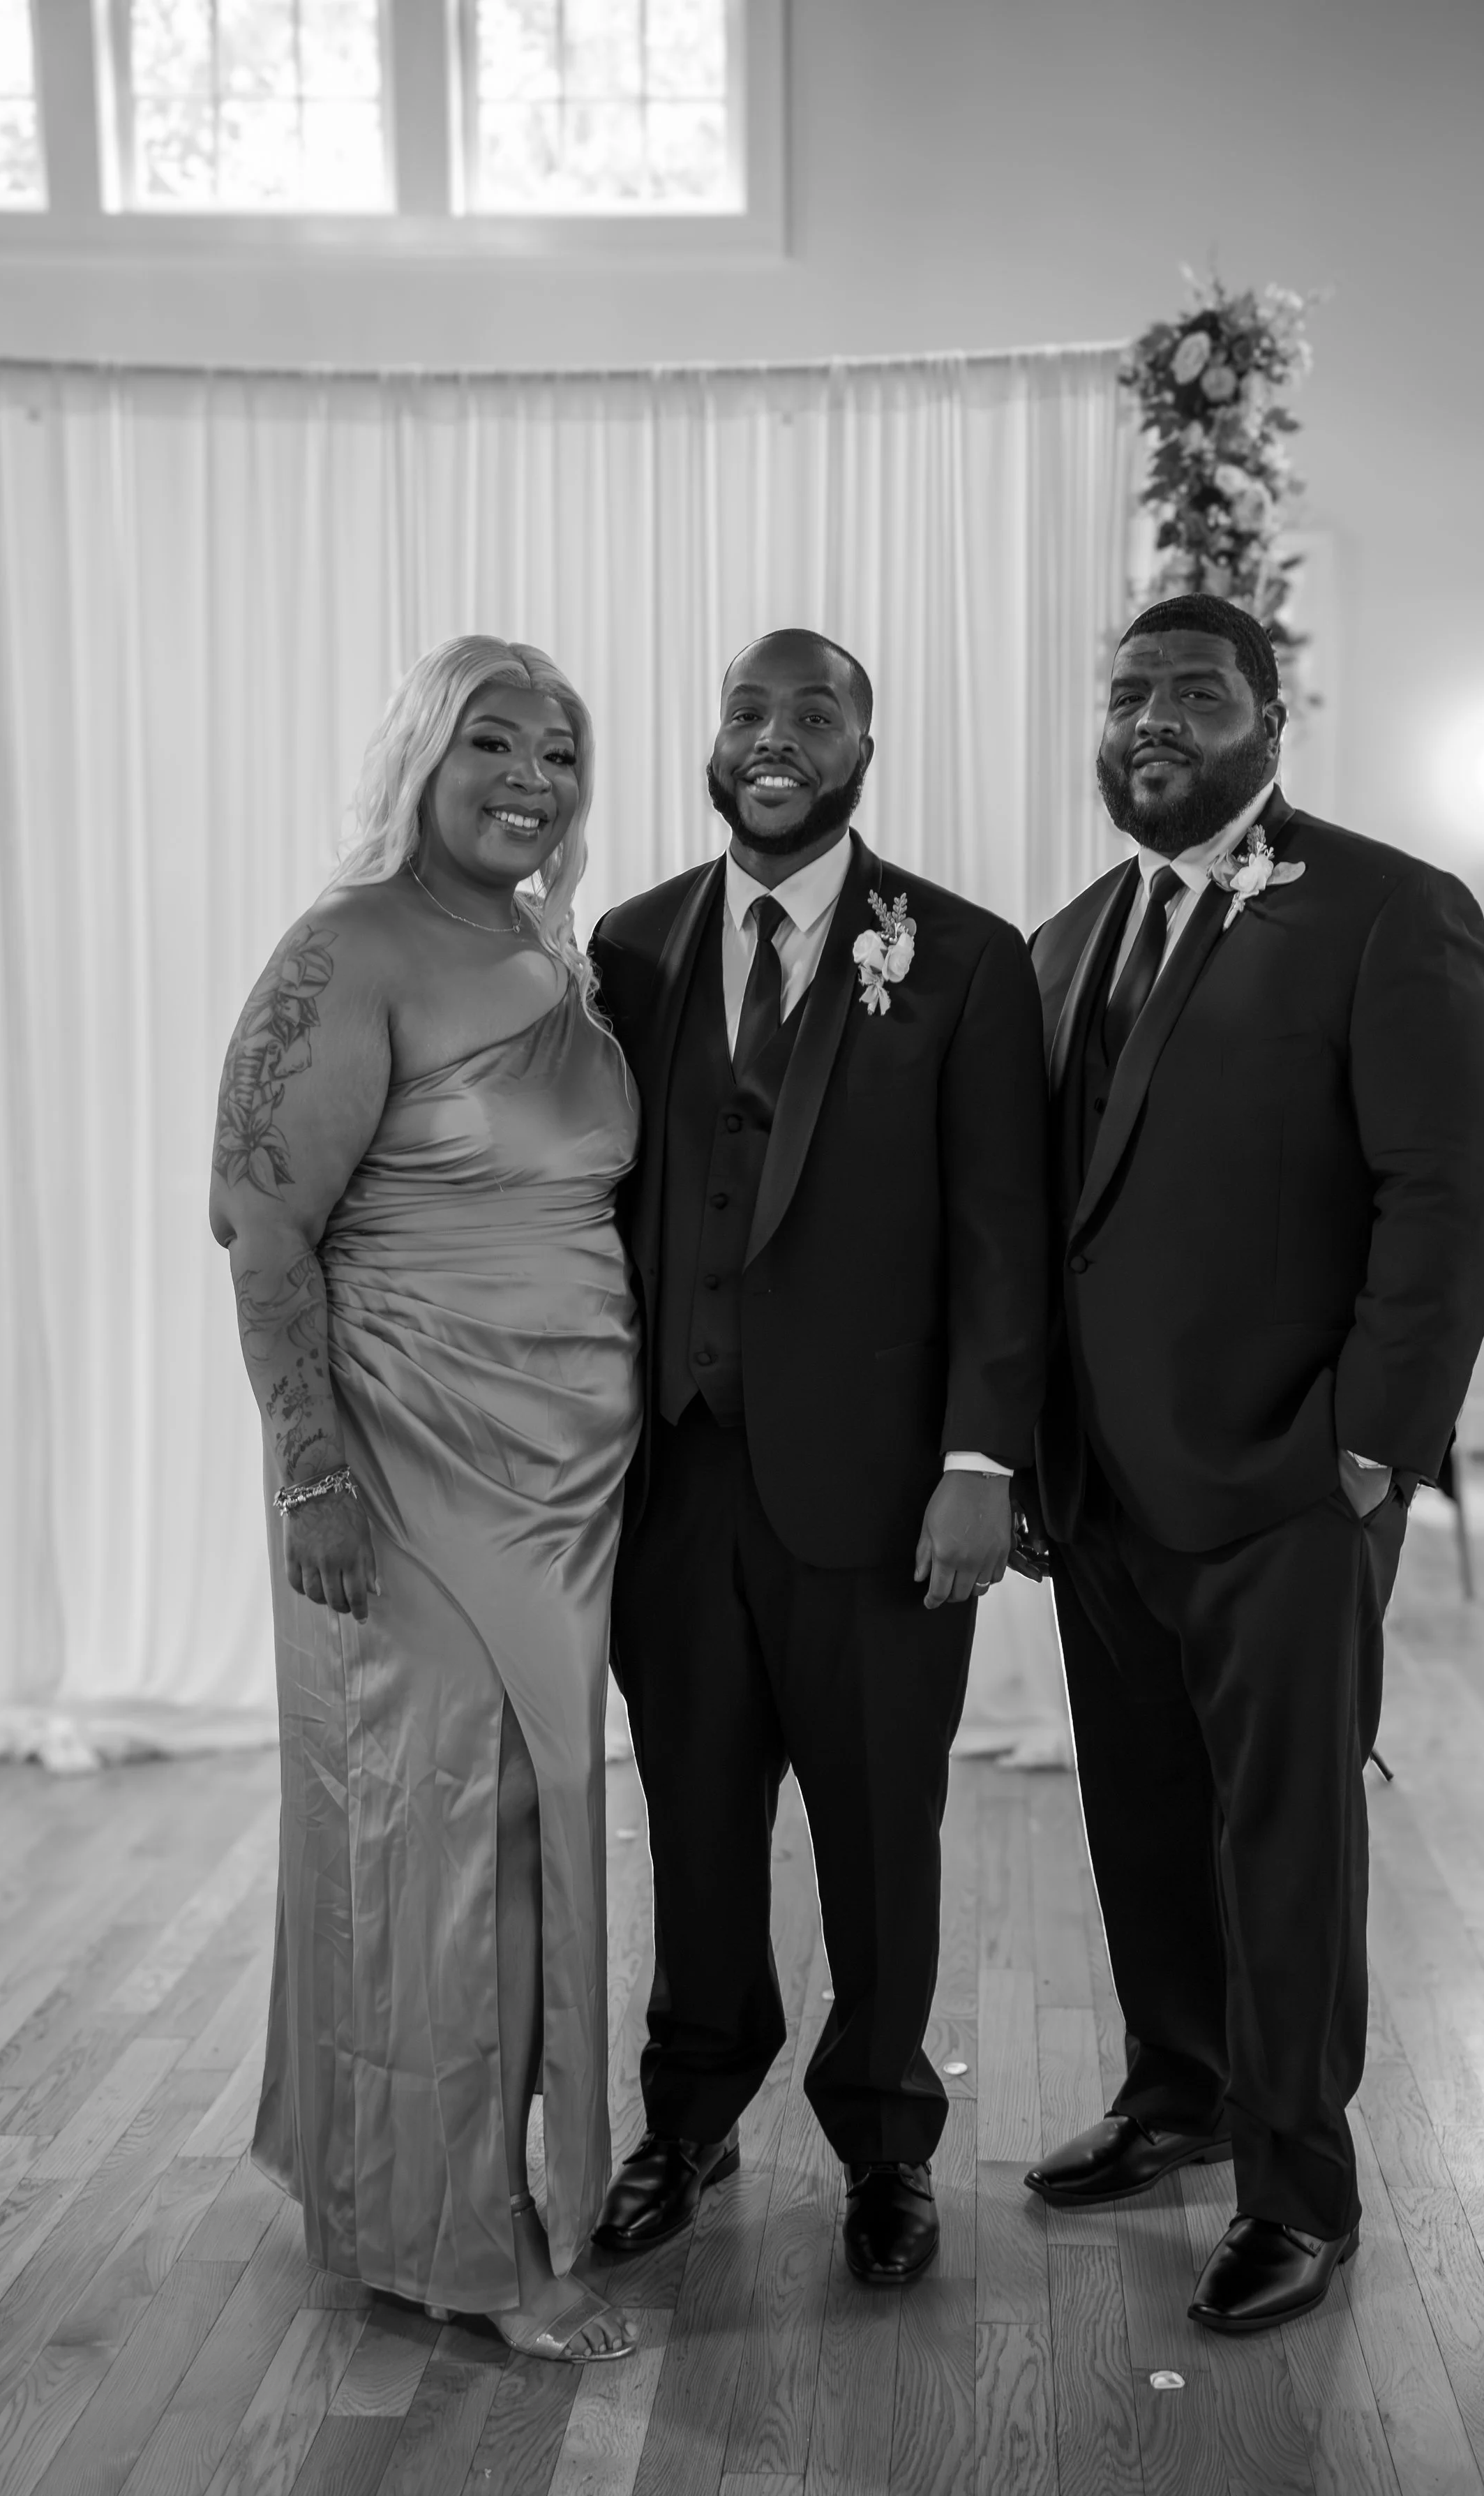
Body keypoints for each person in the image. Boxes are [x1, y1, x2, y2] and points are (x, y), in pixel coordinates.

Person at [1022, 595, 1484, 2331]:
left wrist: (1366, 1451)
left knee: (1285, 1843)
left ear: (1267, 720)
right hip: (1100, 1488)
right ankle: (1178, 2095)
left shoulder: (1386, 910)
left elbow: (1448, 1196)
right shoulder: (1064, 939)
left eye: (1192, 692)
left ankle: (1299, 2187)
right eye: (1125, 694)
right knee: (1142, 1816)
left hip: (1291, 1483)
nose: (1150, 718)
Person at [587, 629, 1049, 2285]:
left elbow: (1002, 1232)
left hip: (879, 1486)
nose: (772, 736)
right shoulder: (630, 946)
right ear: (714, 742)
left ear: (863, 744)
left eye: (812, 712)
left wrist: (980, 1459)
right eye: (747, 711)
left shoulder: (962, 957)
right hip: (674, 1482)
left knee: (876, 1832)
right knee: (695, 1825)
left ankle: (882, 2138)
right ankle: (689, 2116)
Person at [209, 636, 639, 2361]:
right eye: (492, 742)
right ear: (422, 756)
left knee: (518, 1829)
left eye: (558, 750)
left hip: (564, 1486)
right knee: (444, 1845)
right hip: (403, 1468)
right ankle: (465, 2239)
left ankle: (385, 2176)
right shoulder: (352, 945)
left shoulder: (547, 949)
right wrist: (310, 1470)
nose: (529, 777)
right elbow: (263, 1228)